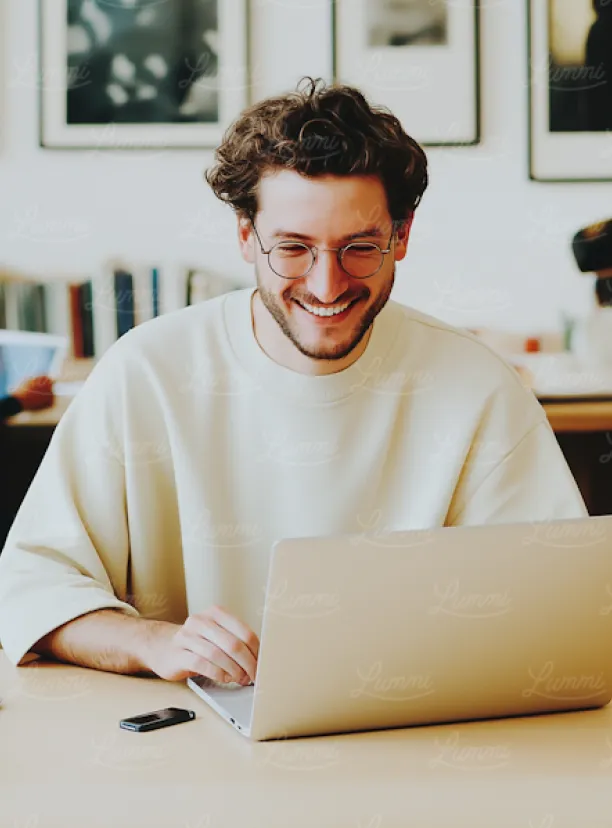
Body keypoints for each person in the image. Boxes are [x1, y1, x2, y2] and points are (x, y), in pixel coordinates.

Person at [0, 78, 587, 685]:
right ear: (245, 236)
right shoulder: (145, 370)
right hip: (190, 742)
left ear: (402, 237)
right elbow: (29, 586)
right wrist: (151, 641)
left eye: (359, 247)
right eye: (293, 248)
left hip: (414, 735)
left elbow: (562, 606)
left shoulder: (480, 388)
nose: (326, 285)